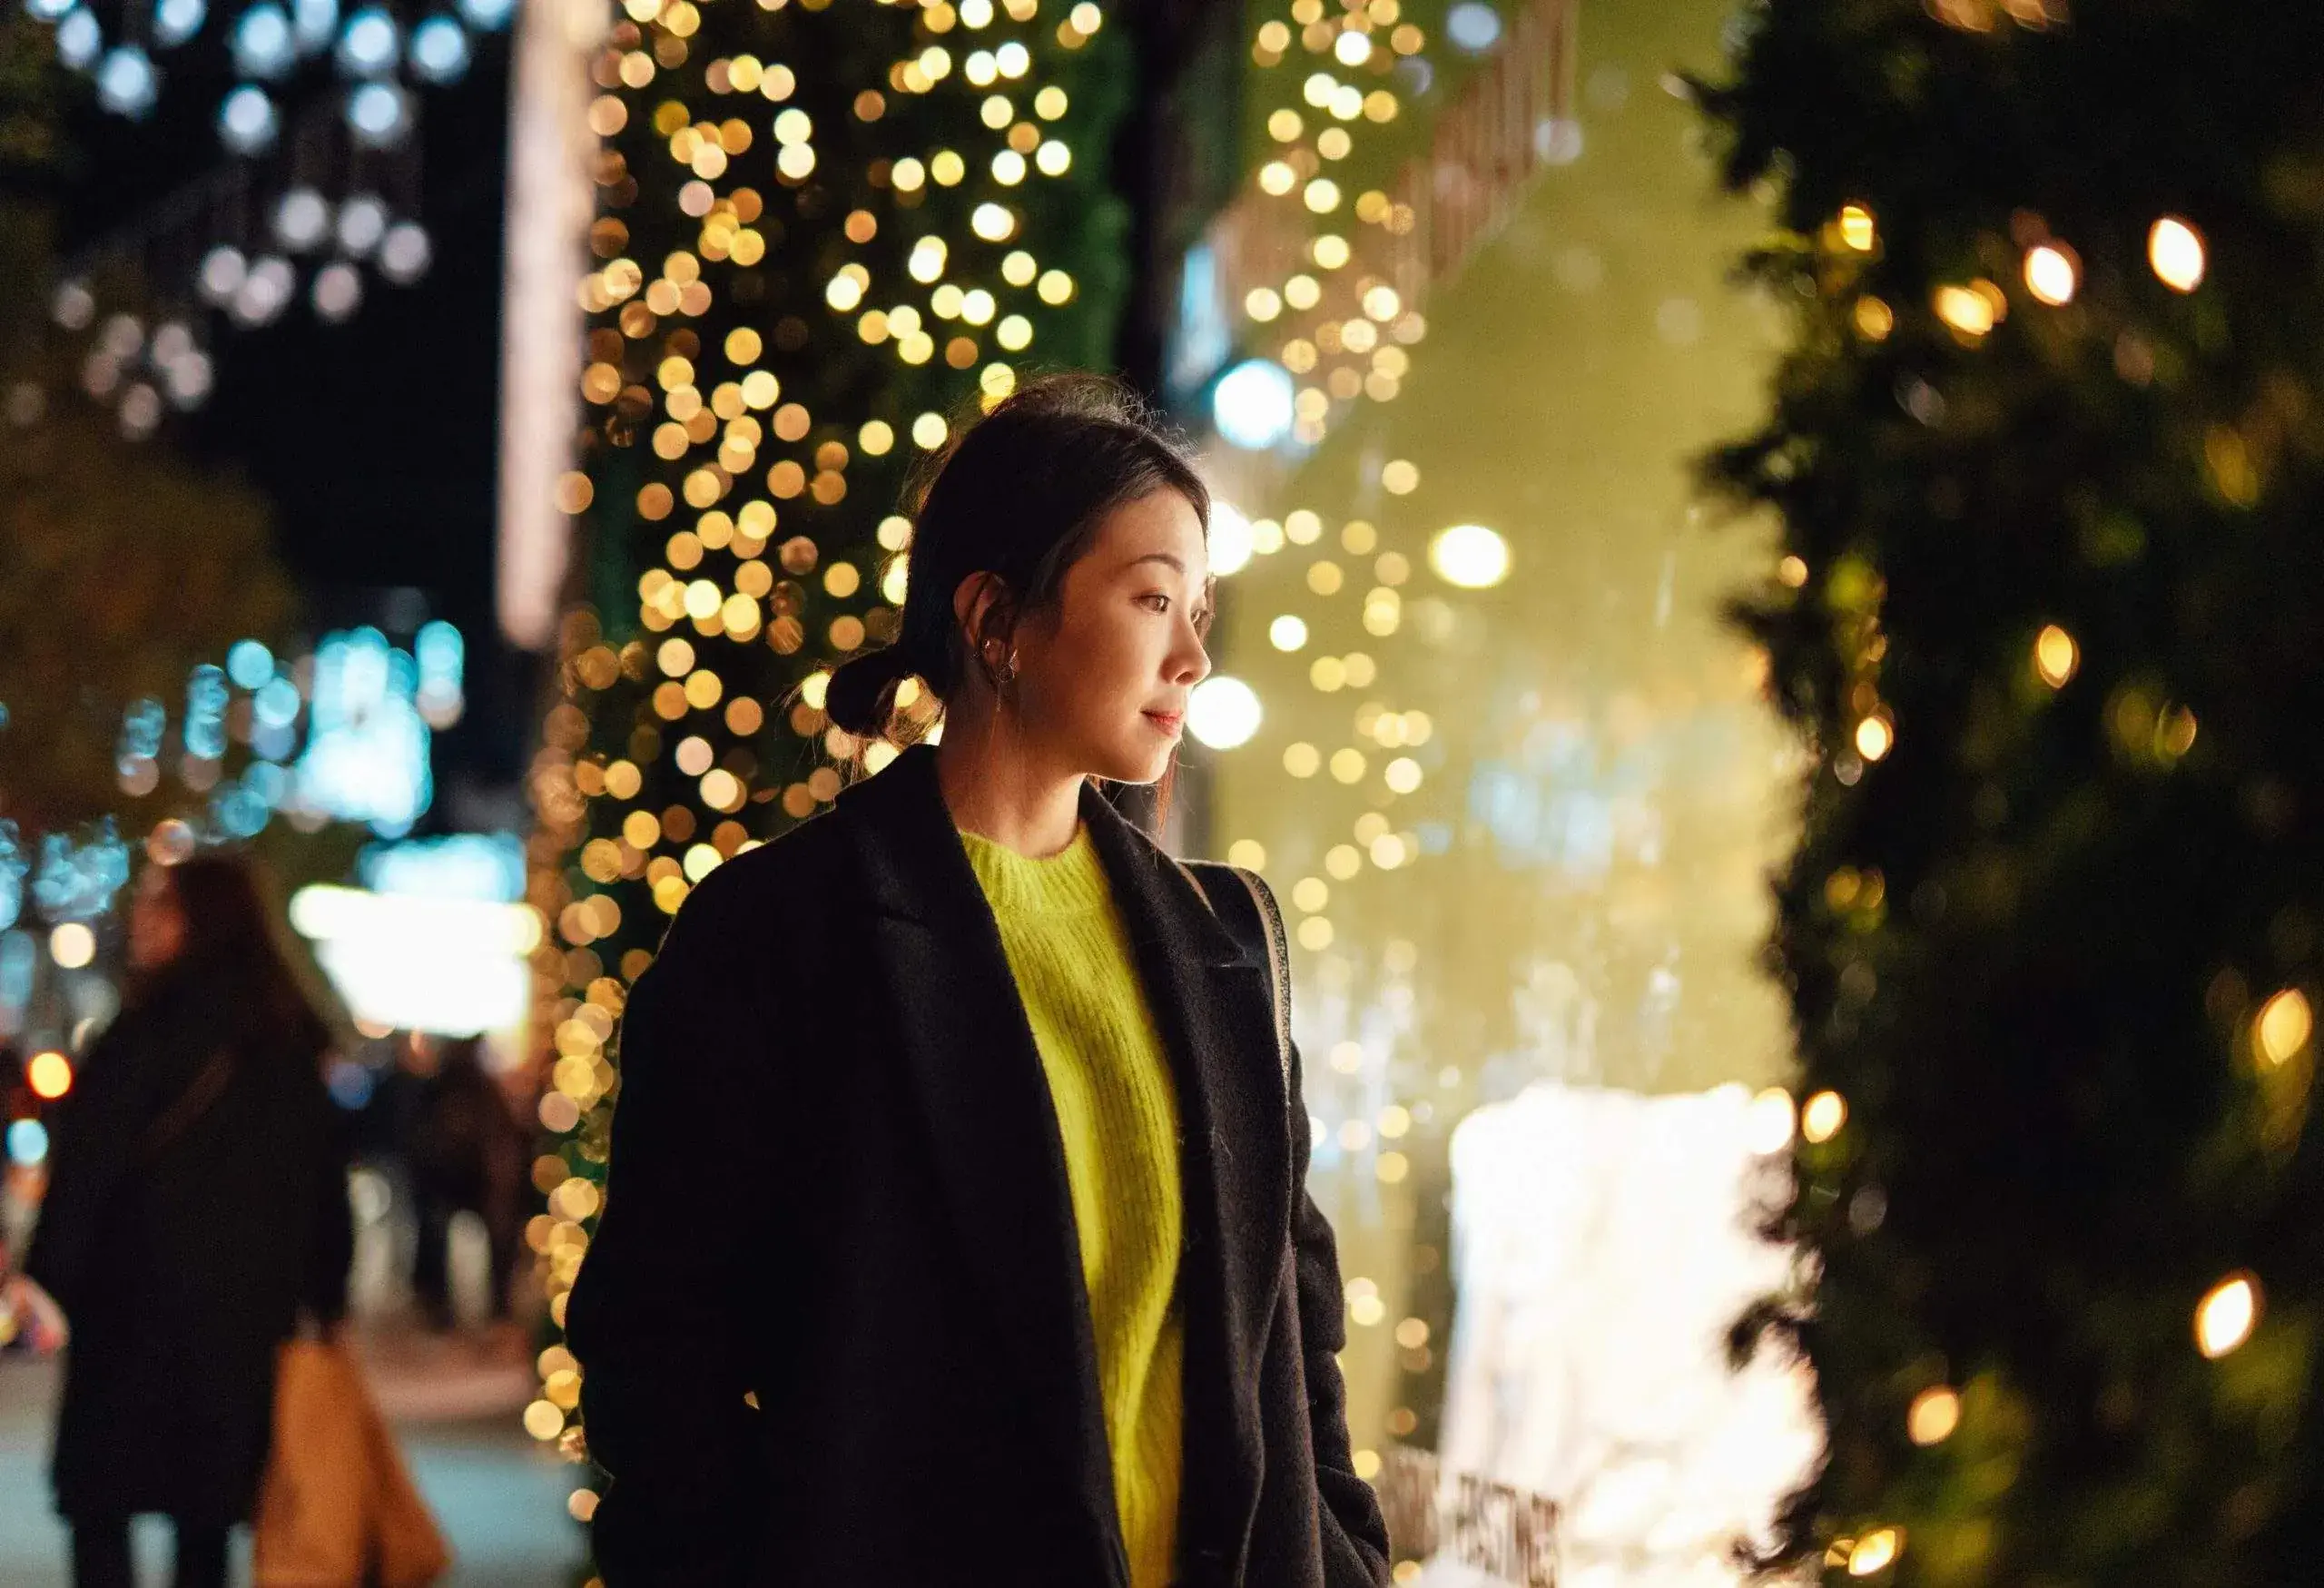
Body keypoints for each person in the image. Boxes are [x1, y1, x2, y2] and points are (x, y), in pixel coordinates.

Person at [567, 373, 1393, 1587]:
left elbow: (1293, 1323)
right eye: (1152, 597)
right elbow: (655, 1352)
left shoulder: (1227, 936)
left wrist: (1348, 1555)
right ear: (998, 619)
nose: (1194, 656)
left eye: (1200, 605)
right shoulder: (782, 933)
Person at [25, 854, 353, 1588]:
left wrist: (50, 1273)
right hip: (236, 1316)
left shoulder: (145, 1029)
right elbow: (321, 1182)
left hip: (130, 1307)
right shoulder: (285, 1036)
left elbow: (87, 1169)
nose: (144, 922)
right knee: (204, 1516)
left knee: (100, 1502)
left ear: (199, 918)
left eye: (160, 907)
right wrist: (324, 1295)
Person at [401, 1034, 527, 1331]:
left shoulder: (461, 1089)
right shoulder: (455, 1090)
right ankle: (477, 1307)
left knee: (478, 1242)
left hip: (467, 1182)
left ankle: (473, 1306)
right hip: (452, 1181)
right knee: (441, 1239)